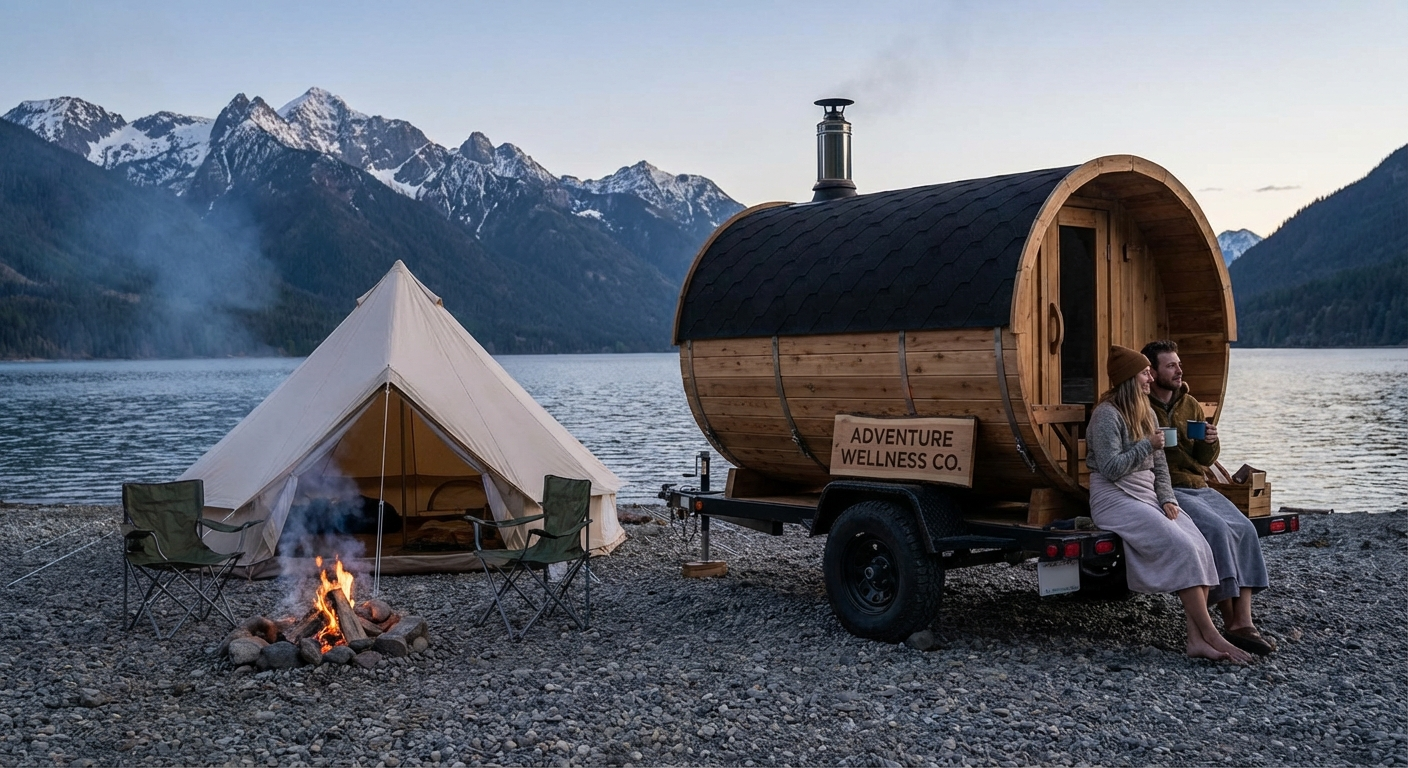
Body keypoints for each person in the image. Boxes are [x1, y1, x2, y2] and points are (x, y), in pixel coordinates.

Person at [1085, 345, 1253, 663]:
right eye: (1144, 372)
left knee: (1200, 545)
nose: (1149, 377)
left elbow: (1160, 468)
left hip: (1147, 495)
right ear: (1129, 379)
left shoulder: (1146, 412)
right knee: (1184, 548)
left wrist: (1168, 499)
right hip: (1114, 498)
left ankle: (1196, 640)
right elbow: (1110, 468)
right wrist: (1145, 444)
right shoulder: (1105, 415)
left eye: (1150, 371)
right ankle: (1212, 634)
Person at [1141, 339, 1275, 656]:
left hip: (1198, 483)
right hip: (1167, 486)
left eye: (1179, 363)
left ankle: (1244, 619)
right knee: (1215, 529)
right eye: (1170, 365)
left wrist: (1212, 442)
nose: (1178, 370)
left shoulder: (1190, 404)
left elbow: (1203, 459)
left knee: (1243, 527)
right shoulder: (1141, 406)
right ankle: (1230, 620)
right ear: (1153, 371)